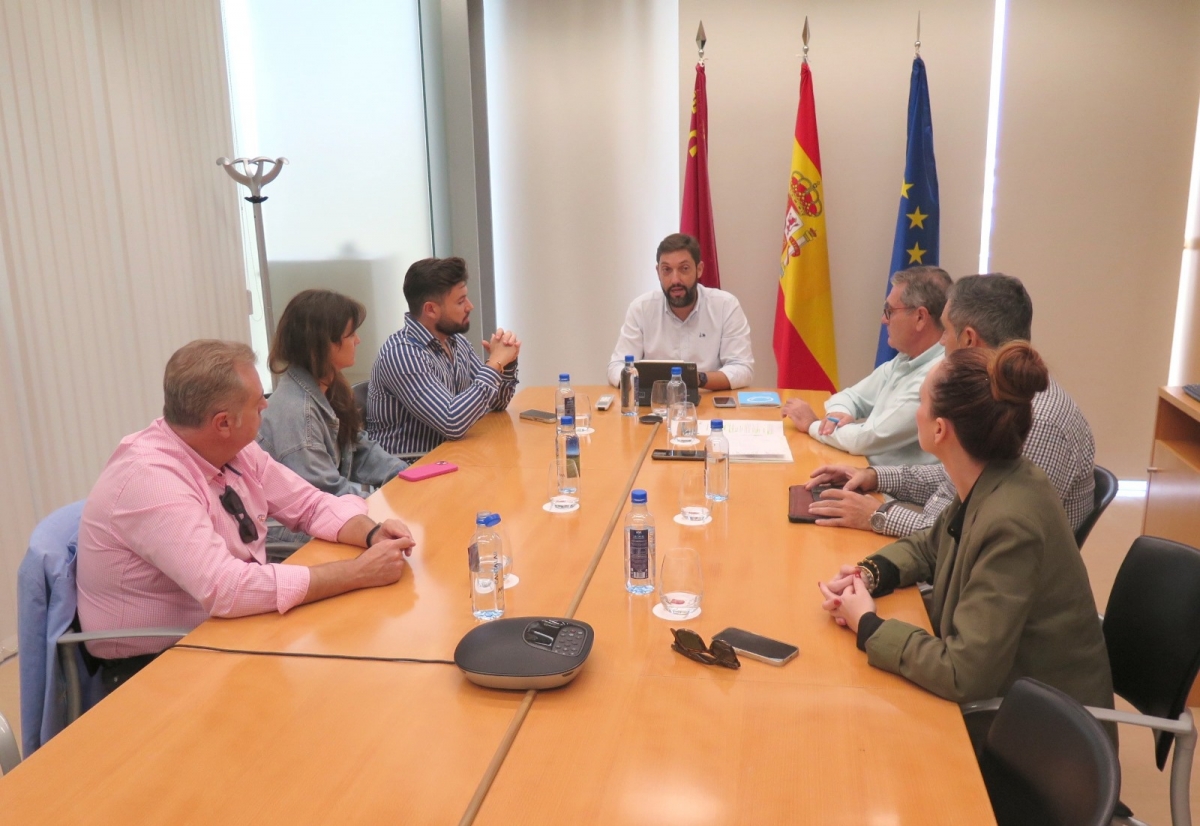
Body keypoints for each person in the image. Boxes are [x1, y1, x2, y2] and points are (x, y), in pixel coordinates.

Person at [77, 340, 414, 683]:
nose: (266, 405)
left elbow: (308, 504)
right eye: (257, 403)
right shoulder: (151, 480)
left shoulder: (229, 447)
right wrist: (357, 573)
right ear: (223, 423)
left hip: (223, 632)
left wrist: (371, 533)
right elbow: (226, 589)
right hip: (155, 666)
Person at [816, 342, 1113, 716]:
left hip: (1041, 730)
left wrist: (869, 625)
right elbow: (931, 545)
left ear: (940, 429)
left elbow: (963, 672)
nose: (916, 414)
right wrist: (870, 574)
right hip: (1011, 697)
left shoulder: (1011, 522)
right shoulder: (997, 474)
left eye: (920, 404)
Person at [806, 274, 1096, 537]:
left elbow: (970, 537)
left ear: (968, 339)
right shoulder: (993, 395)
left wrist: (876, 515)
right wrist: (875, 477)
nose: (941, 342)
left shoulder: (1037, 420)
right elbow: (951, 480)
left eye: (944, 330)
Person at [784, 267, 949, 465]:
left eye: (890, 311)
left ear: (920, 318)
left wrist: (812, 424)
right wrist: (837, 416)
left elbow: (866, 438)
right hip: (866, 472)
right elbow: (851, 396)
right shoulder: (905, 359)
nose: (884, 320)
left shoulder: (938, 375)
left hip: (891, 490)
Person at [258, 289, 406, 503]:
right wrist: (382, 498)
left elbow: (359, 449)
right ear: (323, 343)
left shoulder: (331, 389)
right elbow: (324, 493)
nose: (358, 340)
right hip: (300, 533)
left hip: (334, 516)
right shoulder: (298, 414)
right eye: (351, 334)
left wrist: (404, 476)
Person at [369, 257, 520, 456]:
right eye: (460, 301)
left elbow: (496, 403)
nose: (470, 306)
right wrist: (494, 363)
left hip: (453, 458)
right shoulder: (403, 354)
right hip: (410, 472)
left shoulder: (455, 342)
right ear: (431, 309)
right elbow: (452, 422)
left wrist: (505, 364)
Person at [607, 233, 753, 391]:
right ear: (658, 272)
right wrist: (647, 381)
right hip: (655, 405)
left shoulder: (725, 306)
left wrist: (697, 378)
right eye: (667, 270)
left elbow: (742, 368)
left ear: (699, 269)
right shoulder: (641, 309)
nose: (675, 279)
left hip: (708, 400)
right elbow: (616, 366)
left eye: (684, 269)